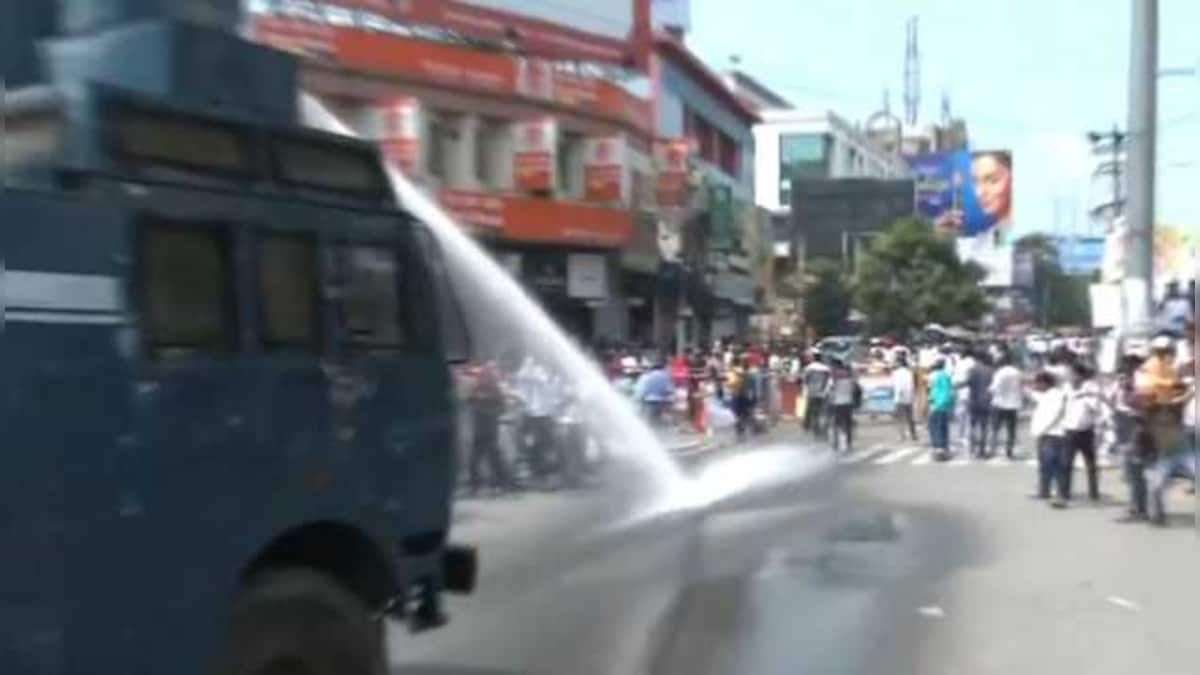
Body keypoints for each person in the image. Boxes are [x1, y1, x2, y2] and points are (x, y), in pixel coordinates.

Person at [1137, 334, 1194, 526]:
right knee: (1156, 483)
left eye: (1168, 351)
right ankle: (1156, 515)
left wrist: (1184, 390)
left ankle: (1156, 514)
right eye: (1164, 351)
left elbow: (1178, 394)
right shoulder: (1150, 367)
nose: (1167, 354)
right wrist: (1174, 388)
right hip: (1163, 446)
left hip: (1177, 443)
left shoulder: (1169, 368)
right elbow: (1149, 386)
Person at [465, 360, 514, 494]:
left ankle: (502, 483)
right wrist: (477, 401)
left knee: (493, 456)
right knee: (476, 457)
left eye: (490, 372)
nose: (487, 375)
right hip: (480, 426)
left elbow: (502, 406)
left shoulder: (495, 388)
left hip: (490, 426)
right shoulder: (478, 387)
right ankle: (475, 485)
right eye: (486, 372)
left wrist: (488, 406)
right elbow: (469, 400)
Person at [1062, 362, 1103, 501]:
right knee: (1066, 463)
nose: (1069, 377)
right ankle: (1064, 493)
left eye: (1072, 374)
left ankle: (1094, 492)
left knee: (1090, 464)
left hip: (1086, 430)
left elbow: (1096, 408)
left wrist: (1084, 395)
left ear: (1079, 375)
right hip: (1070, 430)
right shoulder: (1066, 388)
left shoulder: (1091, 388)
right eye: (1069, 374)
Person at [1029, 371, 1069, 508]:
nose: (1036, 386)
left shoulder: (1057, 395)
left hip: (1053, 435)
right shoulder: (1046, 395)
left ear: (1045, 383)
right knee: (1045, 465)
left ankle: (1060, 495)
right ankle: (1044, 490)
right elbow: (1034, 396)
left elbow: (1055, 415)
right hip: (1045, 435)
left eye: (1037, 383)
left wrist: (1042, 430)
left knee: (1055, 466)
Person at [989, 353, 1023, 459]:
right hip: (1013, 404)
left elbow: (993, 388)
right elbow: (1020, 387)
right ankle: (1009, 450)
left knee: (995, 428)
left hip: (999, 403)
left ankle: (992, 449)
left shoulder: (999, 373)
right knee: (1011, 429)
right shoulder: (1017, 372)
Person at [966, 352, 994, 457]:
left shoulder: (972, 370)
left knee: (973, 425)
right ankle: (982, 449)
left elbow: (968, 383)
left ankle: (973, 448)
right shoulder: (991, 371)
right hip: (986, 401)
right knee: (984, 426)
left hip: (974, 400)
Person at [927, 359, 956, 460]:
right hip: (945, 405)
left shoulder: (934, 375)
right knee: (943, 427)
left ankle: (938, 448)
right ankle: (944, 447)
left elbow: (932, 389)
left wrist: (933, 402)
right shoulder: (947, 376)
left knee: (934, 426)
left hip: (936, 404)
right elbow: (951, 392)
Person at [828, 358, 859, 452]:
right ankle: (848, 443)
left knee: (836, 424)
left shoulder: (834, 378)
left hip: (838, 403)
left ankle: (836, 443)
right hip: (848, 403)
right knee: (847, 424)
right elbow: (855, 390)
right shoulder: (850, 379)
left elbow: (831, 391)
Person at [634, 357, 675, 427]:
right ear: (662, 368)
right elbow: (670, 390)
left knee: (649, 422)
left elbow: (642, 390)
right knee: (659, 422)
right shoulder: (665, 376)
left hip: (649, 402)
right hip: (661, 402)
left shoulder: (647, 376)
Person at [952, 347, 977, 451]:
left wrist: (955, 387)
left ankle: (961, 436)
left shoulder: (960, 363)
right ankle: (968, 437)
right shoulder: (974, 363)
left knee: (960, 415)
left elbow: (954, 379)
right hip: (971, 392)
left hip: (960, 391)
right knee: (969, 416)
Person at [802, 353, 833, 436]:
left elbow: (805, 381)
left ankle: (810, 427)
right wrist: (826, 391)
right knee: (822, 411)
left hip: (811, 392)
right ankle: (822, 428)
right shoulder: (826, 369)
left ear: (813, 359)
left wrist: (805, 391)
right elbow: (829, 382)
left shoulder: (808, 368)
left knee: (811, 410)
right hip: (822, 393)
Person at [891, 352, 918, 441]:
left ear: (899, 363)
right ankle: (913, 434)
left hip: (900, 397)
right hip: (909, 397)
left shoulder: (896, 373)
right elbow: (912, 385)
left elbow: (897, 386)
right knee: (910, 417)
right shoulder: (909, 372)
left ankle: (902, 435)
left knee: (900, 418)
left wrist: (897, 397)